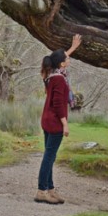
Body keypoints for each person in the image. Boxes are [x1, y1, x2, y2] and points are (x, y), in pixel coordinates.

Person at [36, 34, 82, 204]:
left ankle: (50, 189)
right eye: (67, 58)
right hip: (55, 121)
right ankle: (42, 190)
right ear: (62, 64)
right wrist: (65, 124)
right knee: (49, 157)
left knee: (51, 155)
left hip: (46, 119)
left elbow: (59, 61)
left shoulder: (49, 75)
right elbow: (58, 104)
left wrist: (72, 47)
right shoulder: (60, 80)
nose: (68, 60)